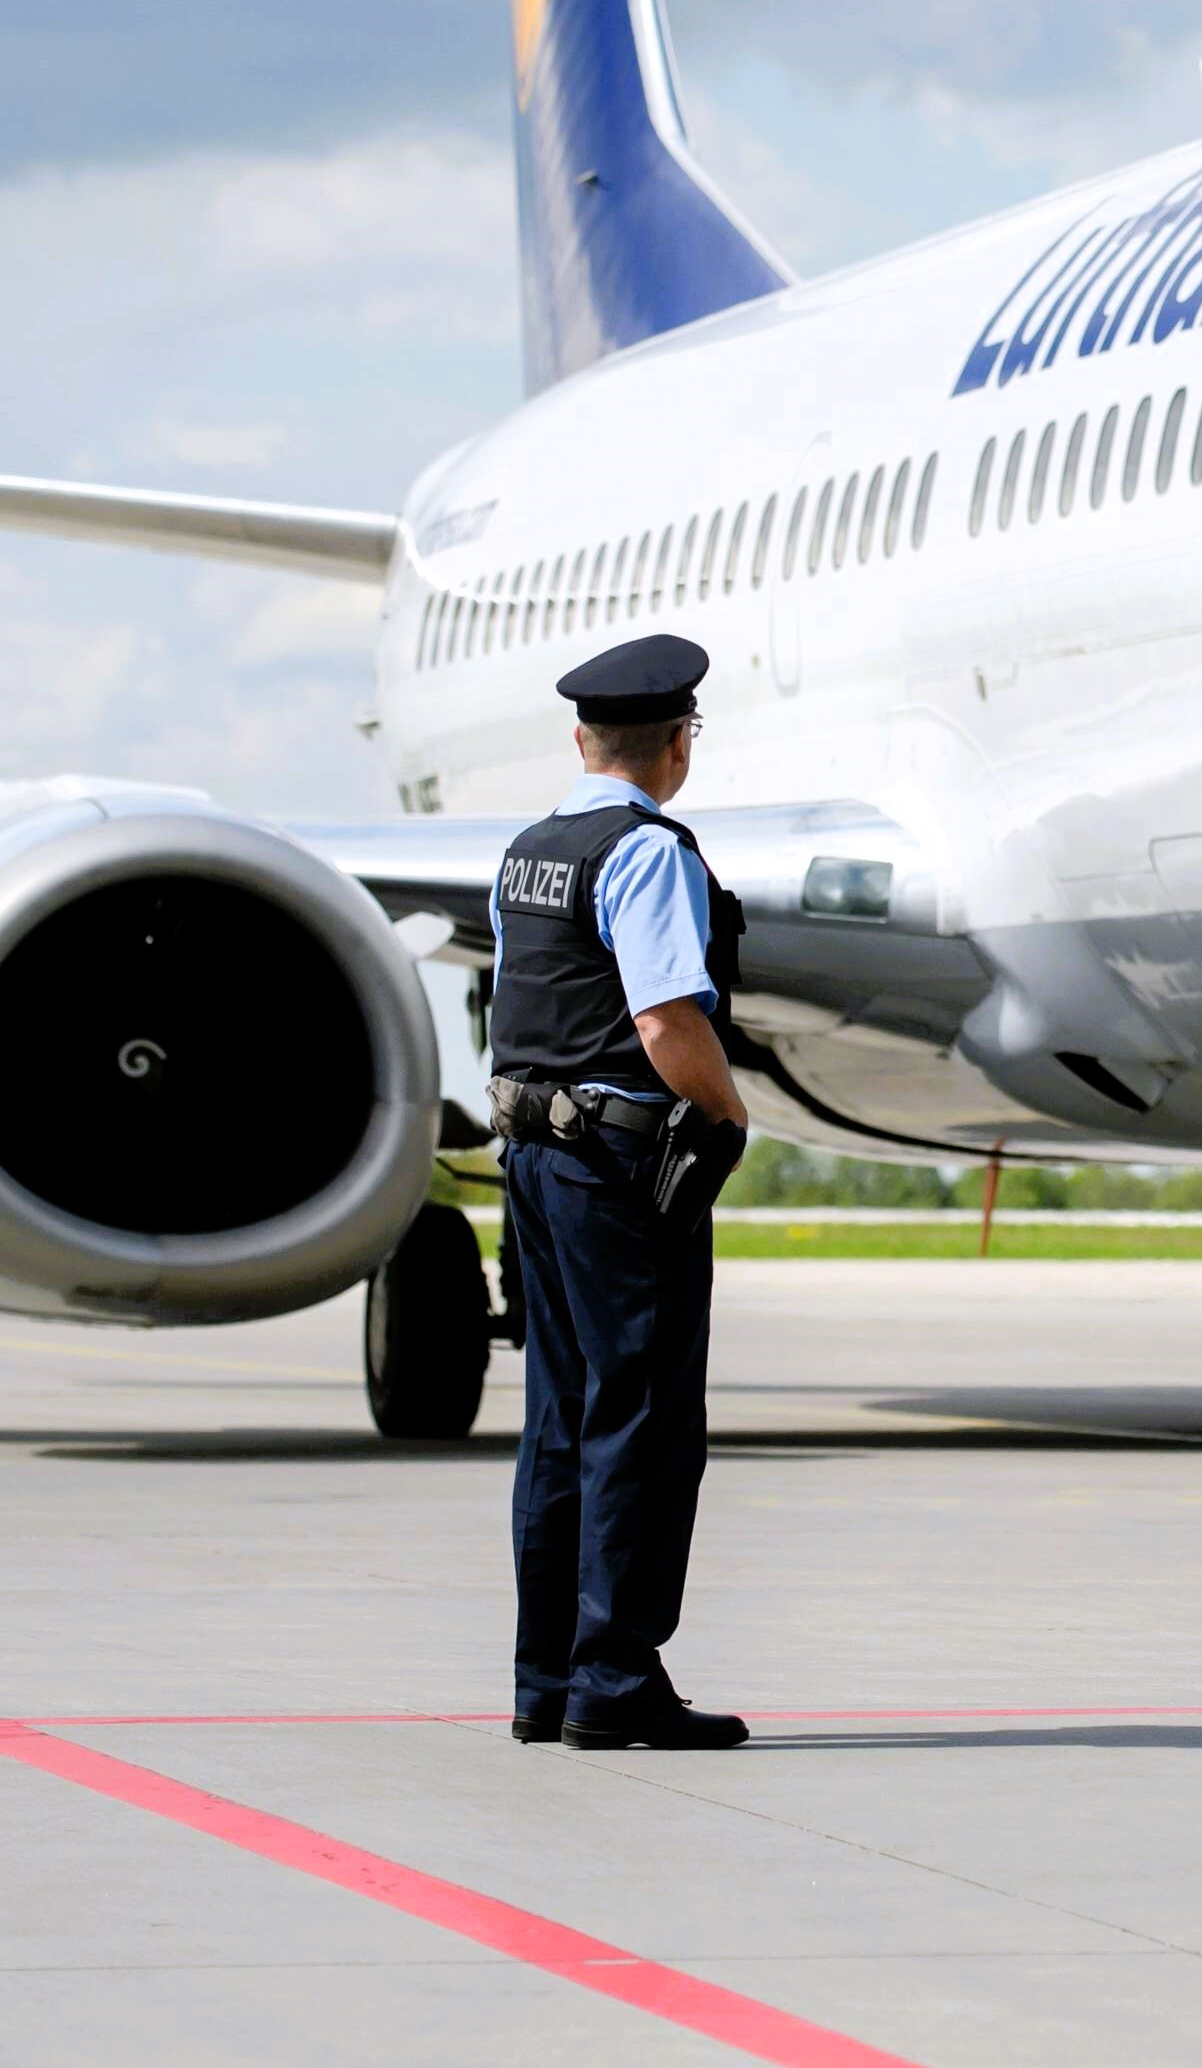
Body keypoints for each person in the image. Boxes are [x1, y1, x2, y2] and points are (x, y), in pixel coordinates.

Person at [488, 633, 754, 1752]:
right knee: (640, 1420)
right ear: (678, 745)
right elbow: (663, 1018)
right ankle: (616, 1676)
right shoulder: (647, 854)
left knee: (559, 1420)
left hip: (534, 1158)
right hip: (614, 1168)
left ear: (583, 739)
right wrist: (730, 1115)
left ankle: (546, 1677)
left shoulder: (529, 851)